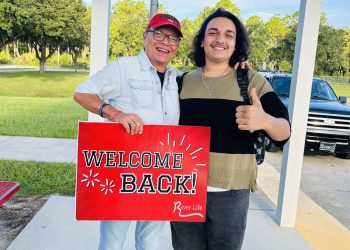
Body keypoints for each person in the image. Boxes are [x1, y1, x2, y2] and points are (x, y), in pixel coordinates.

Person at [170, 8, 291, 250]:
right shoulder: (181, 82)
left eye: (229, 34)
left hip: (231, 192)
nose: (220, 39)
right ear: (202, 41)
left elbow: (284, 131)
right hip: (185, 189)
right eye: (212, 33)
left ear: (236, 44)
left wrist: (264, 121)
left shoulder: (251, 81)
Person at [73, 13, 183, 250]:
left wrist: (238, 65)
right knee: (113, 239)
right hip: (122, 172)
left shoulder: (178, 78)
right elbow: (82, 93)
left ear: (177, 46)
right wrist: (116, 114)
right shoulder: (123, 67)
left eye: (173, 38)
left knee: (150, 241)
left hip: (160, 174)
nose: (166, 42)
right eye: (159, 34)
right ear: (145, 36)